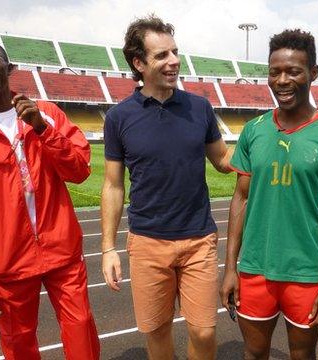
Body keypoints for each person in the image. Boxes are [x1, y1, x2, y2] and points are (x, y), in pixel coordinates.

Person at [0, 39, 100, 360]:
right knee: (18, 343)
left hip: (62, 253)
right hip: (7, 262)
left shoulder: (47, 114)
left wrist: (42, 129)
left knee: (81, 329)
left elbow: (80, 170)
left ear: (8, 68)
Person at [220, 29, 318, 360]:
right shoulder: (254, 130)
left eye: (293, 71)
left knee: (302, 355)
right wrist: (230, 268)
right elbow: (240, 198)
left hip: (306, 273)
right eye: (275, 72)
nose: (283, 80)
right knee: (253, 353)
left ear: (313, 73)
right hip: (254, 269)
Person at [100, 15, 231, 360]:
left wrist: (262, 147)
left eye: (175, 52)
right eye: (162, 56)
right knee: (157, 332)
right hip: (146, 242)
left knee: (203, 331)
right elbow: (113, 185)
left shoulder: (200, 107)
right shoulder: (118, 118)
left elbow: (222, 160)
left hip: (198, 238)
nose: (174, 61)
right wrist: (108, 248)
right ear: (139, 63)